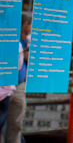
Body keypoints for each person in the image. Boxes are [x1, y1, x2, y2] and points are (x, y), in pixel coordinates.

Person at [6, 15, 31, 143]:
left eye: (29, 32)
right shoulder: (8, 39)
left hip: (19, 85)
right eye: (25, 31)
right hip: (5, 85)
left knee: (16, 122)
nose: (27, 35)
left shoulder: (27, 43)